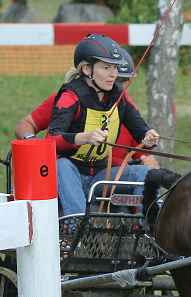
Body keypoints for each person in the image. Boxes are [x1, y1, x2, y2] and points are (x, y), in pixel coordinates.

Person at [45, 34, 159, 216]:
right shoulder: (70, 96)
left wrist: (148, 137)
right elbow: (52, 139)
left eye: (114, 67)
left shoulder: (118, 95)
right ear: (87, 69)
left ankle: (150, 233)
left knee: (145, 174)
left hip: (101, 175)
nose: (113, 74)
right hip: (70, 173)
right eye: (106, 67)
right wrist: (86, 137)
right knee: (62, 165)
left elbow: (140, 132)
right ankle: (75, 230)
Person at [13, 49, 159, 171]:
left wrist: (151, 162)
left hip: (108, 184)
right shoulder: (68, 99)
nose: (114, 84)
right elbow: (25, 125)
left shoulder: (125, 109)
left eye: (122, 81)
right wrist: (36, 148)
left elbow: (145, 156)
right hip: (66, 172)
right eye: (112, 79)